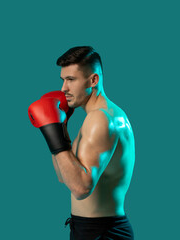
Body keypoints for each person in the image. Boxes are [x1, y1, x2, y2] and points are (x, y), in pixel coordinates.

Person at [28, 46, 135, 240]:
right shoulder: (107, 115)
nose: (63, 89)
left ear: (93, 80)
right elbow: (65, 177)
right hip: (96, 229)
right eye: (63, 80)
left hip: (101, 232)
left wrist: (54, 136)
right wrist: (60, 130)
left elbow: (80, 188)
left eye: (71, 80)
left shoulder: (100, 120)